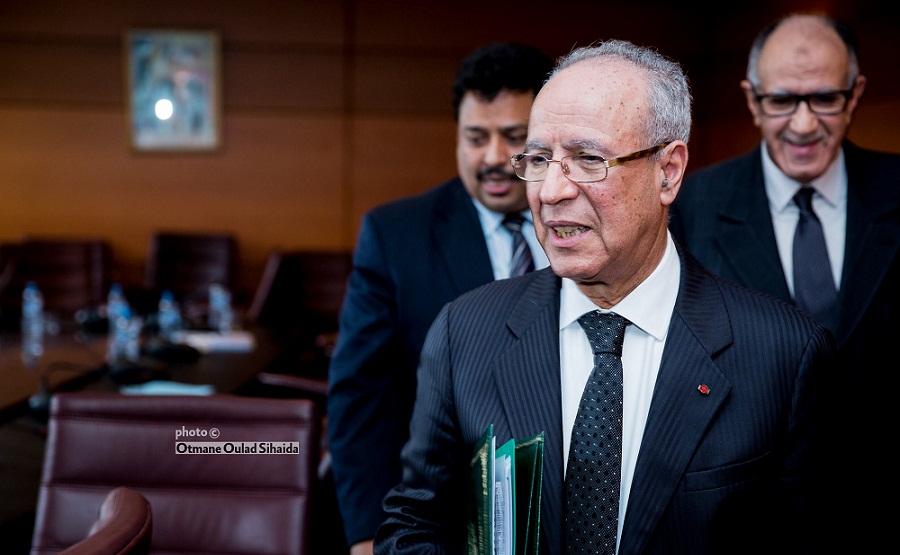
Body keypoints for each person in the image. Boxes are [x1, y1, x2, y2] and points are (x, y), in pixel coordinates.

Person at [375, 39, 837, 555]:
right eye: (539, 158)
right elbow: (414, 526)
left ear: (668, 171)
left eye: (588, 159)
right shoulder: (464, 332)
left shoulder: (783, 356)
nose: (550, 191)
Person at [669, 14, 900, 551]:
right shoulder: (692, 207)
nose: (803, 123)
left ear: (855, 94)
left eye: (825, 98)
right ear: (752, 101)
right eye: (781, 101)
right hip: (749, 517)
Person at [327, 43, 554, 555]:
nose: (492, 158)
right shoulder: (395, 235)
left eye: (513, 137)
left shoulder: (586, 225)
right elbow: (362, 397)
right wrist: (367, 535)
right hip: (440, 518)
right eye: (475, 138)